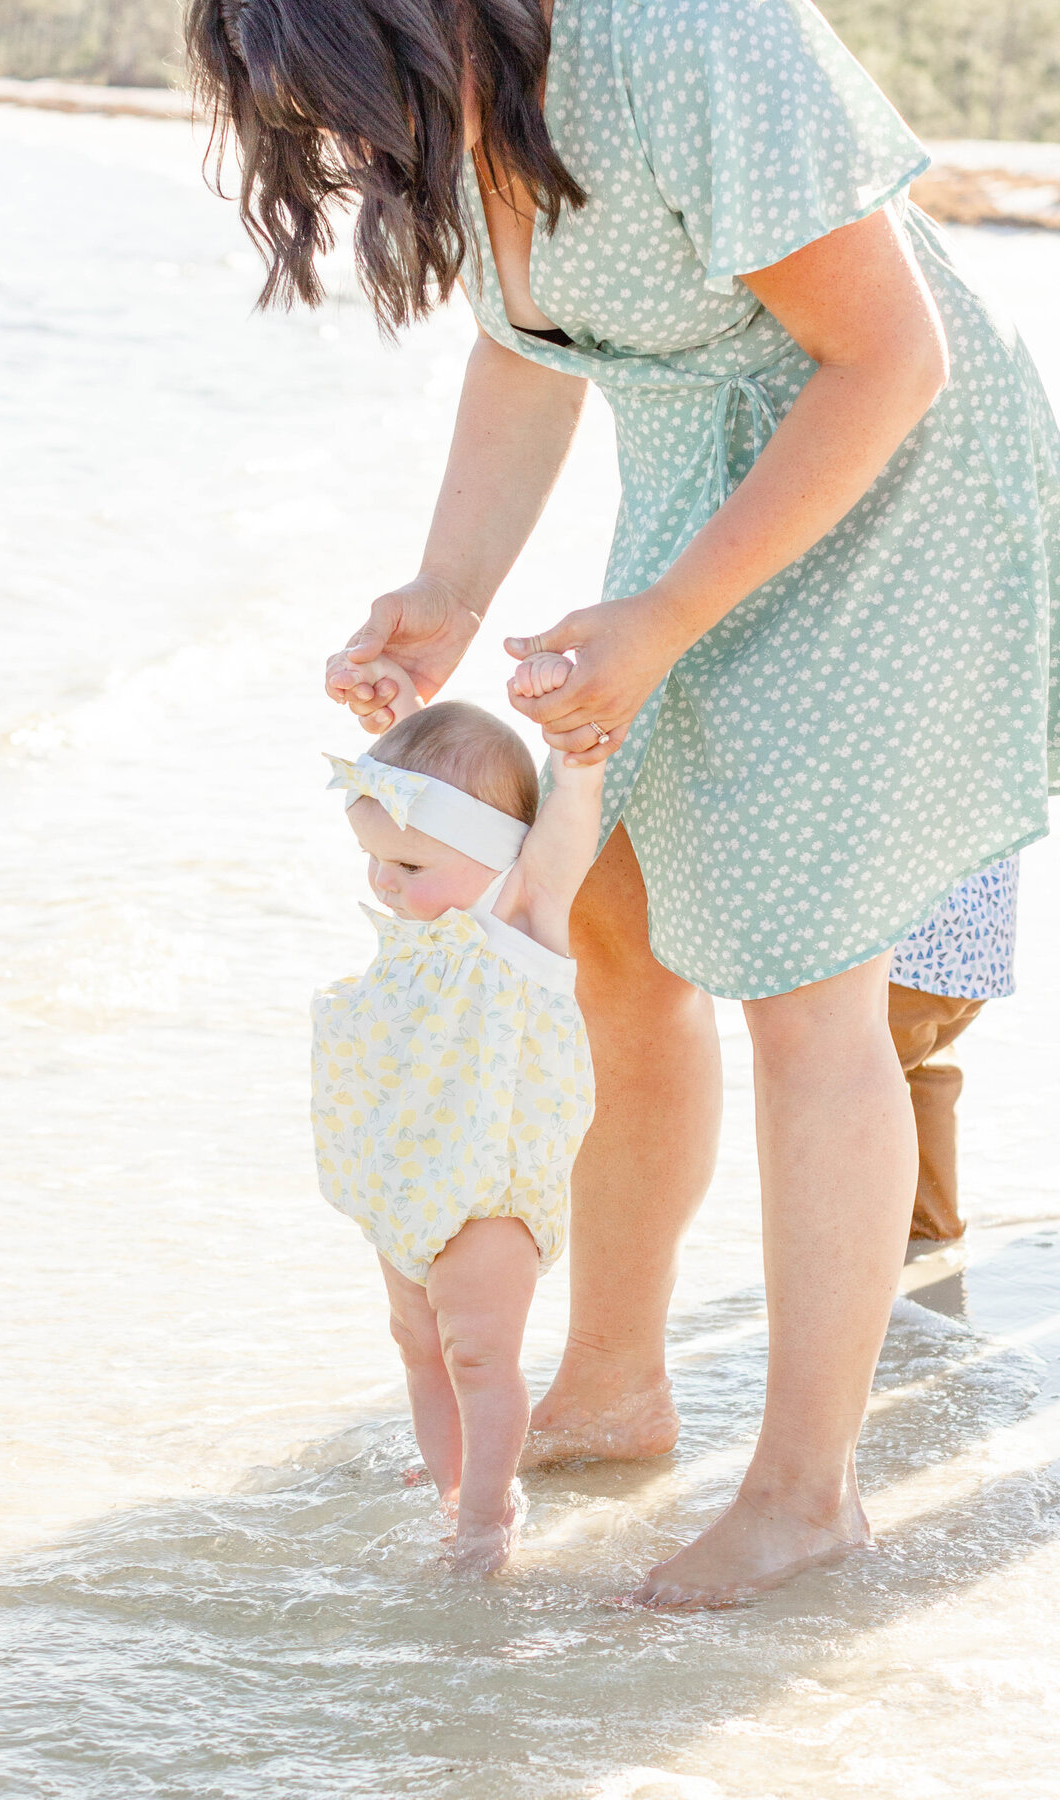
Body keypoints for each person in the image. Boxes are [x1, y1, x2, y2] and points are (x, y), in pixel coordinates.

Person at [189, 0, 1060, 1605]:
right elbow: (531, 349)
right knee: (611, 918)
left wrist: (663, 618)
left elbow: (893, 356)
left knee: (812, 978)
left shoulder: (686, 40)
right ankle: (612, 1384)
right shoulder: (465, 93)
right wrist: (448, 593)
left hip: (889, 487)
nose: (360, 148)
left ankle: (809, 1493)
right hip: (706, 491)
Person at [312, 651, 600, 1572]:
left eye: (407, 863)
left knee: (479, 1355)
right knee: (418, 1347)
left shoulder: (517, 920)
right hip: (405, 1186)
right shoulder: (413, 938)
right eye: (373, 859)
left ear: (494, 854)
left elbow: (555, 843)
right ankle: (450, 1491)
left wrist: (580, 767)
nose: (384, 883)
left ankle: (487, 1521)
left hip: (488, 1194)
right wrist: (407, 716)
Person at [890, 856, 1020, 1244]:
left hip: (905, 950)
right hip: (979, 950)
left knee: (838, 1092)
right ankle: (934, 1232)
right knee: (927, 1068)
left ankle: (841, 1265)